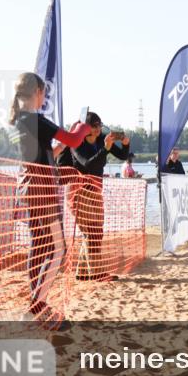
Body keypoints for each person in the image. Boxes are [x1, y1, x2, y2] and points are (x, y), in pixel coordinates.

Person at [8, 72, 91, 324]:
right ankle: (37, 305)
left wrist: (59, 148)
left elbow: (45, 154)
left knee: (40, 246)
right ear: (39, 93)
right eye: (44, 93)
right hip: (42, 189)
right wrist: (82, 127)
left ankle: (35, 304)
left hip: (28, 187)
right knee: (58, 248)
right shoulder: (35, 120)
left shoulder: (17, 121)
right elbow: (75, 139)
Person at [57, 112, 130, 281]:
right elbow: (88, 164)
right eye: (94, 126)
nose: (98, 129)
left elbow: (123, 156)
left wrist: (126, 144)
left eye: (100, 125)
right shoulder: (77, 142)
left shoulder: (101, 138)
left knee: (94, 232)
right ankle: (96, 273)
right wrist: (105, 148)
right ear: (85, 128)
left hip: (95, 191)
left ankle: (83, 273)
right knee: (93, 232)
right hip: (78, 192)